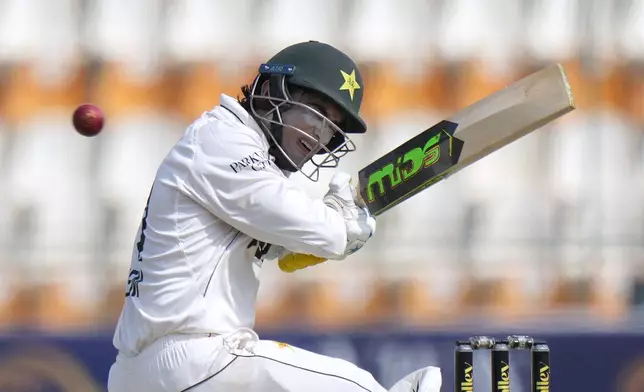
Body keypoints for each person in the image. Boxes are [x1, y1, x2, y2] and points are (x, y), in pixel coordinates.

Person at [107, 40, 442, 392]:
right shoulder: (220, 138)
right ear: (269, 91)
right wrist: (337, 225)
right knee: (355, 385)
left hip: (166, 372)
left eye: (333, 126)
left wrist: (305, 242)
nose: (320, 134)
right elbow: (297, 217)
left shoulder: (241, 159)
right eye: (316, 110)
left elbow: (269, 227)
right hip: (190, 359)